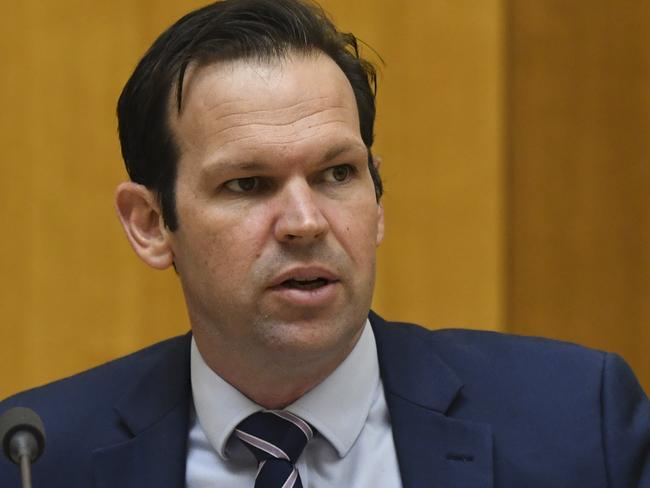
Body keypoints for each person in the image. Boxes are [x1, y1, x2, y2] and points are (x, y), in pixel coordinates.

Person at [1, 0, 648, 486]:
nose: (305, 222)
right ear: (150, 224)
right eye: (248, 184)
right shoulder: (36, 458)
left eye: (337, 173)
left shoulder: (577, 424)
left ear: (378, 200)